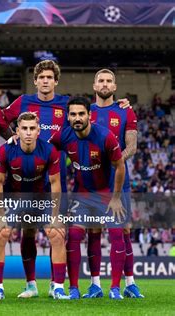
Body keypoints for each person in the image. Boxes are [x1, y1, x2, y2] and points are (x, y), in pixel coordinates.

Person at [49, 96, 126, 300]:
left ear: (89, 116)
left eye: (81, 114)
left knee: (116, 234)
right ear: (68, 117)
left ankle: (115, 289)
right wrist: (15, 140)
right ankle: (74, 288)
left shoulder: (105, 136)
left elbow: (120, 166)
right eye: (73, 114)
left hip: (106, 194)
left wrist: (116, 198)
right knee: (74, 235)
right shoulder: (64, 136)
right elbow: (45, 149)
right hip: (82, 194)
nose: (77, 118)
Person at [0, 112, 68, 300]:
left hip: (41, 198)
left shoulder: (49, 151)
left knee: (56, 234)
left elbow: (56, 183)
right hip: (13, 198)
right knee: (1, 234)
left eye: (32, 128)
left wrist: (56, 216)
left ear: (38, 131)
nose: (28, 132)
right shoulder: (5, 150)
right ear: (17, 130)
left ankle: (57, 288)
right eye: (24, 128)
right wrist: (0, 216)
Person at [87, 69, 143, 298]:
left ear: (115, 86)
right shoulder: (85, 112)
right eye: (101, 80)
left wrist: (113, 158)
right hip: (91, 179)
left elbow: (132, 145)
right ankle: (95, 285)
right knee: (94, 229)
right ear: (94, 85)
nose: (105, 84)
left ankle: (127, 284)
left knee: (123, 229)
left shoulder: (125, 111)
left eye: (109, 81)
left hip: (118, 178)